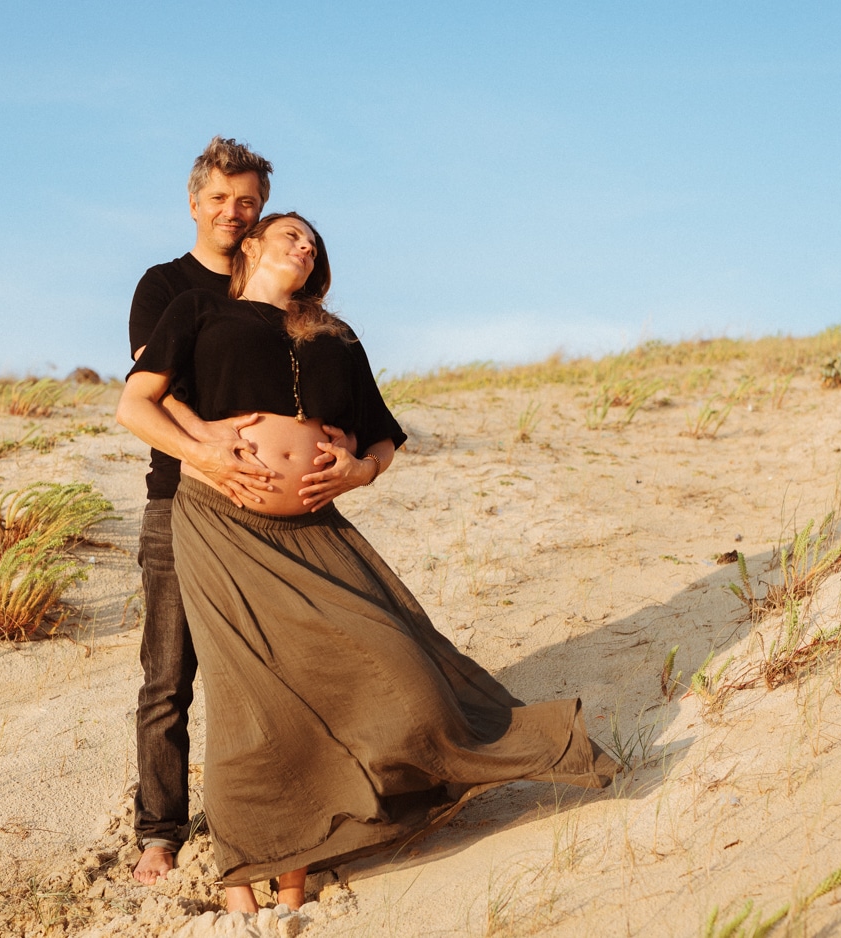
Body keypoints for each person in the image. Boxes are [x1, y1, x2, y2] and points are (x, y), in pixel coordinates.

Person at [116, 212, 616, 913]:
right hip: (221, 521)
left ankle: (311, 849)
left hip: (315, 528)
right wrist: (205, 454)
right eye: (289, 233)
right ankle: (248, 878)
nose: (304, 244)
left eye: (312, 241)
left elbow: (382, 440)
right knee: (248, 697)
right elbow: (136, 404)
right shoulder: (200, 310)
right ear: (251, 244)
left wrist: (356, 473)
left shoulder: (335, 335)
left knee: (403, 671)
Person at [127, 136, 289, 885]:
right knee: (168, 679)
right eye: (220, 198)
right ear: (194, 203)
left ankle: (267, 820)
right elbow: (156, 390)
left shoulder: (277, 288)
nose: (234, 211)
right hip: (178, 503)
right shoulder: (165, 286)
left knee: (263, 673)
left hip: (269, 514)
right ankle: (159, 833)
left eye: (248, 200)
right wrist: (211, 446)